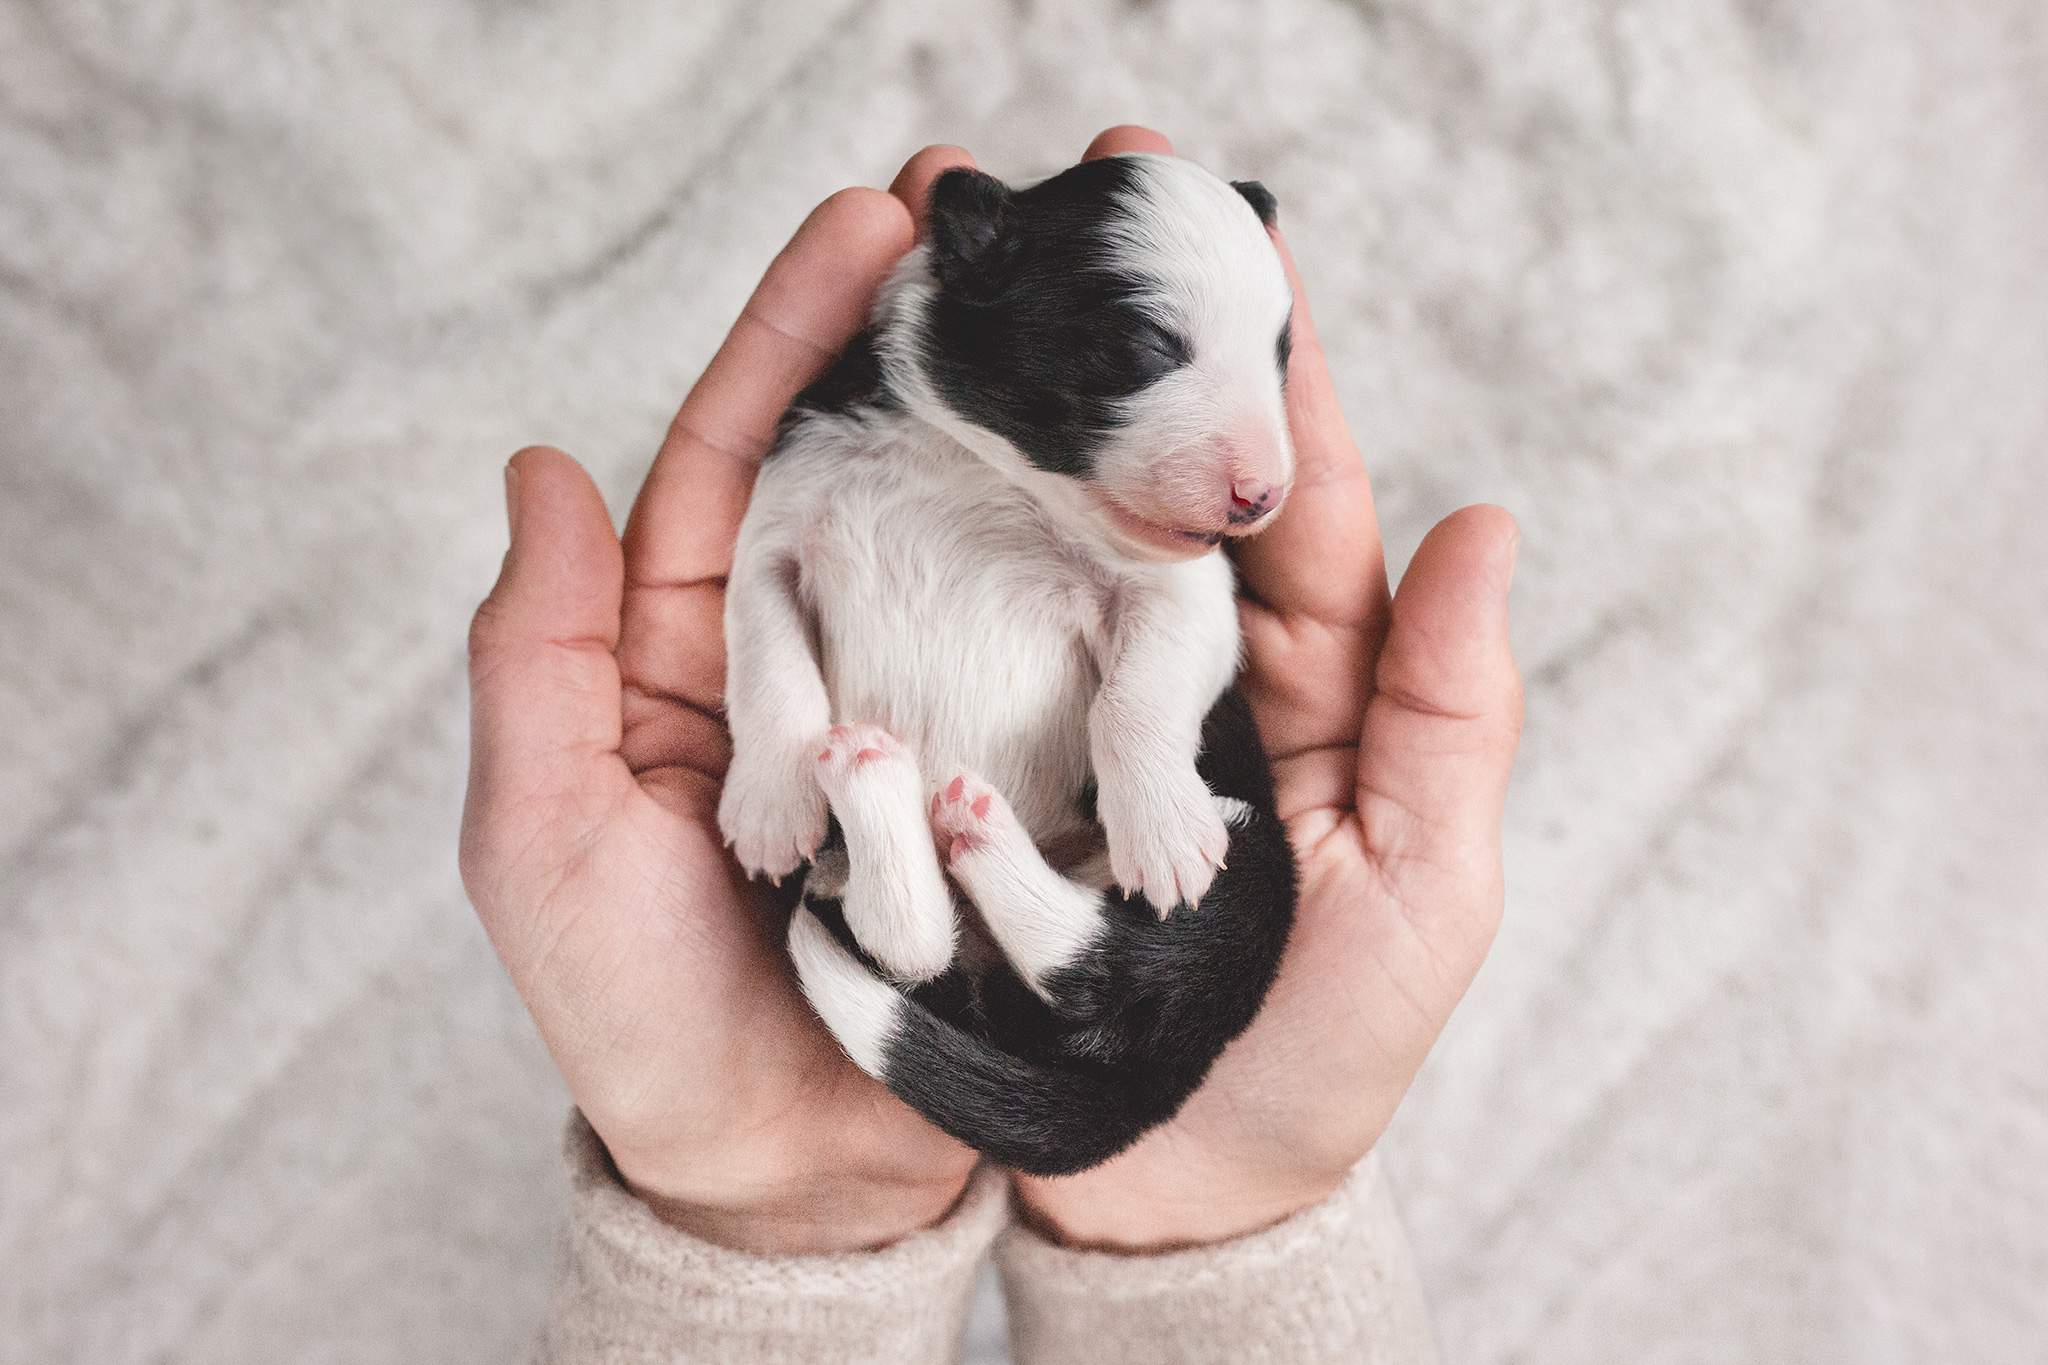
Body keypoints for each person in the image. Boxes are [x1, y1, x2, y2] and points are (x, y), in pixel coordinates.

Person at [459, 124, 1523, 1364]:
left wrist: (1139, 751)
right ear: (975, 264)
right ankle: (904, 922)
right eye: (1147, 352)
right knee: (881, 913)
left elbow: (1175, 627)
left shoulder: (1131, 539)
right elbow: (765, 584)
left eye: (1268, 357)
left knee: (1222, 897)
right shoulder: (840, 437)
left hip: (1096, 876)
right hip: (887, 864)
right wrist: (773, 743)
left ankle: (1013, 932)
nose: (1261, 476)